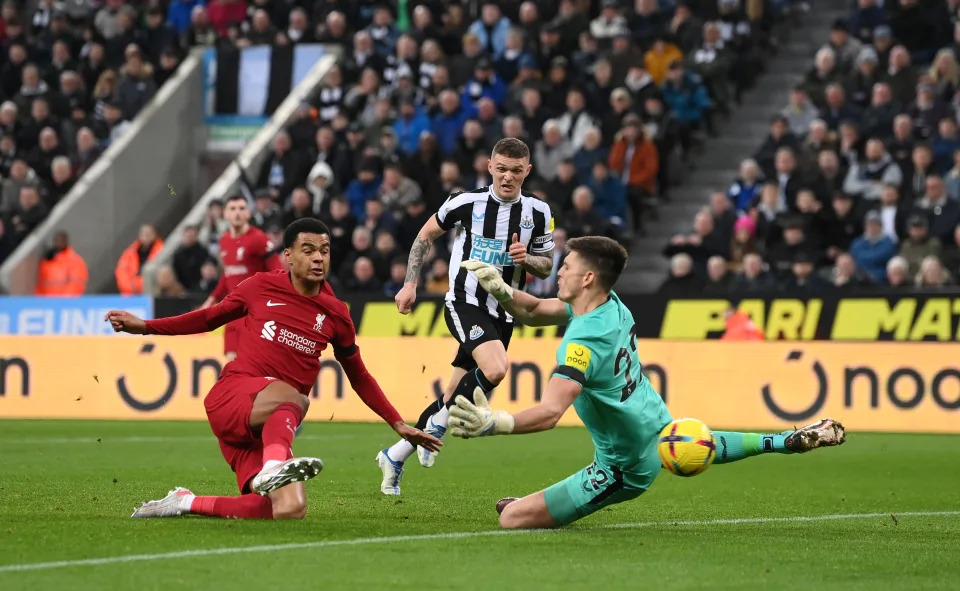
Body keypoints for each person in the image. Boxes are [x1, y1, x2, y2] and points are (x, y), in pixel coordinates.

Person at [448, 238, 845, 529]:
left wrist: (494, 423)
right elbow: (533, 309)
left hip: (622, 467)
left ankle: (534, 505)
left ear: (587, 277)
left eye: (566, 265)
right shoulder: (609, 303)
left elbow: (552, 412)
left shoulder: (582, 343)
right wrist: (501, 290)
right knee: (695, 443)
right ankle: (783, 441)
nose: (559, 270)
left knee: (512, 519)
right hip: (660, 425)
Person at [106, 218, 440, 520]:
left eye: (324, 251)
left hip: (269, 427)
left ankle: (184, 502)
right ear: (288, 256)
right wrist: (146, 326)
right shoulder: (259, 286)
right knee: (296, 398)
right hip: (234, 398)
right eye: (308, 250)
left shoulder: (337, 315)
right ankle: (273, 466)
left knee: (288, 509)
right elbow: (208, 318)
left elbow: (360, 376)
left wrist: (397, 423)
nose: (318, 258)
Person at [377, 137, 555, 495]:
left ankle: (395, 455)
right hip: (464, 301)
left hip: (504, 312)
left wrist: (527, 260)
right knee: (495, 369)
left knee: (454, 391)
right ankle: (439, 425)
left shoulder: (539, 212)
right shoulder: (466, 202)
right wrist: (410, 284)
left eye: (516, 171)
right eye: (501, 169)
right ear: (489, 167)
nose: (507, 177)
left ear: (527, 172)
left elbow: (547, 263)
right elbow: (425, 235)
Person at [199, 195, 283, 360]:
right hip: (233, 314)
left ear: (248, 214)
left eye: (242, 208)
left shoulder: (259, 239)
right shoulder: (224, 241)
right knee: (231, 368)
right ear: (225, 214)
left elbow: (278, 271)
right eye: (233, 209)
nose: (237, 213)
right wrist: (210, 300)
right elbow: (228, 275)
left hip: (255, 315)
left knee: (254, 369)